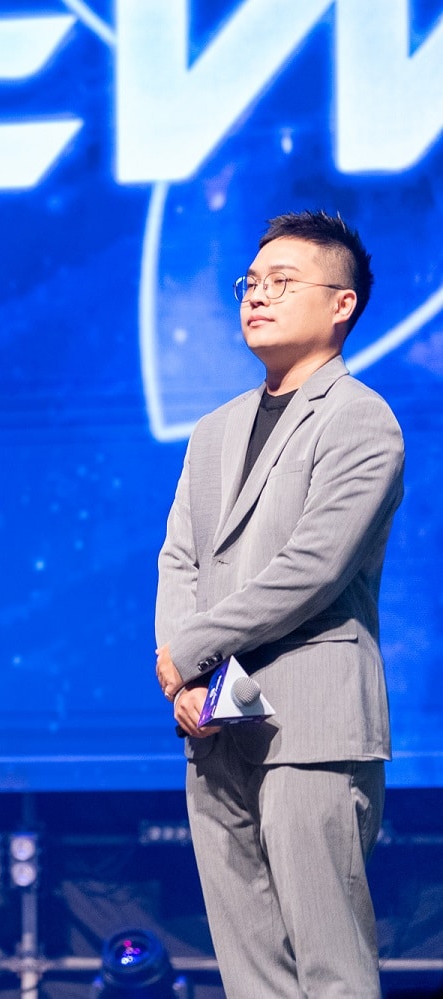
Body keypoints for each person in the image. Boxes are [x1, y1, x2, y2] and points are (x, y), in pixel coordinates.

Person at [154, 211, 404, 998]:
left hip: (311, 721)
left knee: (330, 963)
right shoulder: (213, 430)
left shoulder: (361, 418)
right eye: (251, 283)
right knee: (250, 968)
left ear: (342, 304)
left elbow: (313, 568)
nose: (257, 296)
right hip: (214, 720)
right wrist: (185, 676)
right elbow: (181, 557)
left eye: (282, 282)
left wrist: (191, 647)